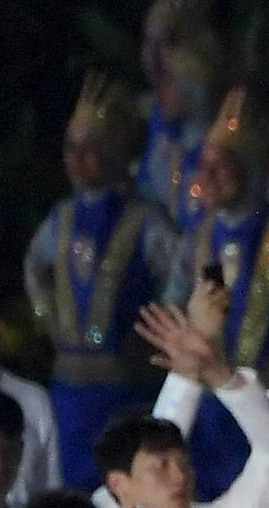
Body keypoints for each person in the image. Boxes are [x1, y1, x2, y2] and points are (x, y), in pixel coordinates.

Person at [29, 74, 177, 487]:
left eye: (92, 150)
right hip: (72, 384)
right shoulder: (60, 220)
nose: (78, 159)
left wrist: (155, 329)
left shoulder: (146, 220)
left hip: (128, 382)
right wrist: (50, 318)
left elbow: (179, 274)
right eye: (72, 148)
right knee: (73, 481)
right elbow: (34, 268)